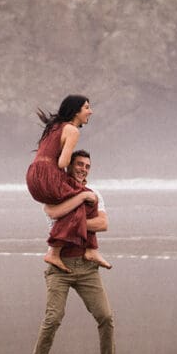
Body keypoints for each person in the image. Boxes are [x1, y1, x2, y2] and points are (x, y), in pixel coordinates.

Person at [26, 149, 125, 354]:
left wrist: (73, 222)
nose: (83, 169)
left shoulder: (95, 192)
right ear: (69, 166)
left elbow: (103, 224)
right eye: (79, 164)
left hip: (86, 266)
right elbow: (52, 211)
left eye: (87, 166)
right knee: (53, 318)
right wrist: (80, 200)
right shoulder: (58, 191)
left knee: (105, 316)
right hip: (58, 267)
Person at [26, 95, 112, 273]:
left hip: (33, 177)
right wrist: (75, 189)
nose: (91, 111)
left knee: (78, 201)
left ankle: (76, 250)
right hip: (49, 177)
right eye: (87, 107)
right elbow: (63, 163)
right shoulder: (72, 130)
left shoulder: (54, 127)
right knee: (89, 198)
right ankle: (84, 250)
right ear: (76, 111)